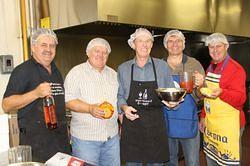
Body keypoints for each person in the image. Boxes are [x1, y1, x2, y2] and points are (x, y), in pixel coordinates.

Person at [2, 28, 71, 162]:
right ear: (33, 48)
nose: (48, 49)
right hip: (36, 146)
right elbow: (6, 105)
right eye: (43, 45)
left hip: (61, 144)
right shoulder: (22, 71)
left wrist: (66, 131)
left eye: (52, 46)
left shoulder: (56, 71)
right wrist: (35, 93)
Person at [118, 28, 179, 165]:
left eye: (148, 41)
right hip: (132, 127)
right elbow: (120, 95)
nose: (144, 45)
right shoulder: (124, 68)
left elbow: (170, 93)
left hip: (155, 129)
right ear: (133, 44)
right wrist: (123, 107)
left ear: (151, 45)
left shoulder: (162, 67)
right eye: (140, 41)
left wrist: (172, 103)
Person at [64, 38, 120, 166]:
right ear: (88, 53)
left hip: (112, 138)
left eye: (104, 52)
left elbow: (119, 101)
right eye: (96, 51)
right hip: (85, 140)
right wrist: (90, 108)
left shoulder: (114, 74)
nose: (100, 55)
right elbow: (67, 100)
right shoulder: (76, 73)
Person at [199, 33, 246, 165]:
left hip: (229, 125)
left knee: (228, 161)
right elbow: (208, 95)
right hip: (212, 123)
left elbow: (241, 99)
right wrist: (203, 116)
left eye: (218, 46)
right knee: (212, 158)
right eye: (211, 47)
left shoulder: (236, 69)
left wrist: (222, 92)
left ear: (226, 46)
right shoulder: (211, 66)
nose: (215, 50)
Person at [162, 30, 205, 166]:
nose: (175, 44)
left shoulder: (194, 64)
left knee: (192, 162)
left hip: (188, 121)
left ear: (183, 44)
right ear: (165, 45)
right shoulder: (159, 65)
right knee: (169, 161)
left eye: (178, 40)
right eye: (171, 40)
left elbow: (201, 95)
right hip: (166, 122)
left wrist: (200, 85)